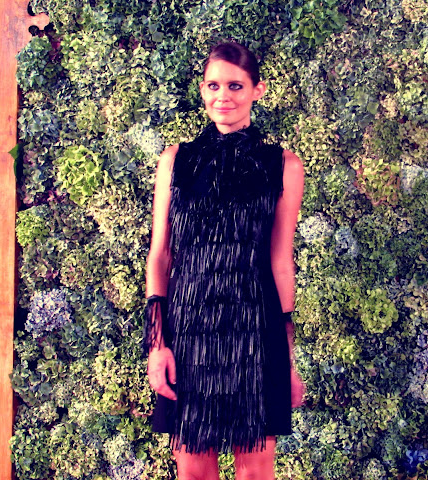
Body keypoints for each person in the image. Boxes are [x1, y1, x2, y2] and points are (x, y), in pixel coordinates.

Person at [144, 41, 305, 480]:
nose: (223, 96)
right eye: (213, 85)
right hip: (188, 333)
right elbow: (160, 255)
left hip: (256, 333)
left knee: (255, 473)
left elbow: (281, 262)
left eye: (235, 86)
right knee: (194, 473)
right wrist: (157, 345)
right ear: (202, 90)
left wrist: (287, 358)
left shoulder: (284, 165)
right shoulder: (175, 161)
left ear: (257, 90)